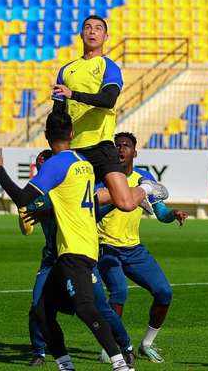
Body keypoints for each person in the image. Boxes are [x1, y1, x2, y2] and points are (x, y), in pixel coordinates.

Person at [0, 111, 140, 370]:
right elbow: (71, 201)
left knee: (86, 308)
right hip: (84, 245)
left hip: (74, 249)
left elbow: (23, 199)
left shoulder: (56, 164)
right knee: (42, 310)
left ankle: (121, 365)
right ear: (72, 134)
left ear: (46, 136)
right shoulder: (84, 164)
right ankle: (66, 365)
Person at [22, 149, 135, 368]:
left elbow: (96, 207)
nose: (43, 168)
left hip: (77, 255)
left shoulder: (67, 190)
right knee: (39, 307)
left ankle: (125, 349)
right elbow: (26, 223)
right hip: (52, 259)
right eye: (40, 165)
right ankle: (40, 352)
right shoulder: (44, 195)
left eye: (46, 164)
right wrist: (26, 211)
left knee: (97, 307)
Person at [97, 132, 188, 363]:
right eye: (117, 145)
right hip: (106, 246)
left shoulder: (143, 178)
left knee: (164, 292)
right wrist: (120, 200)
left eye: (126, 146)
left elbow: (160, 213)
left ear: (134, 152)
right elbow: (94, 213)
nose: (120, 149)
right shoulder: (103, 178)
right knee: (119, 292)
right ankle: (110, 348)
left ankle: (147, 344)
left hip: (134, 249)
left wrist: (173, 214)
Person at [52, 15, 158, 213]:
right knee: (73, 205)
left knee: (125, 204)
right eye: (88, 27)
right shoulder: (66, 71)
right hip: (74, 149)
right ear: (81, 34)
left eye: (98, 28)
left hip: (101, 145)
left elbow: (108, 100)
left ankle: (146, 189)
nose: (92, 31)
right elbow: (58, 114)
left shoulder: (108, 67)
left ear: (105, 36)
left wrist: (72, 94)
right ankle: (133, 192)